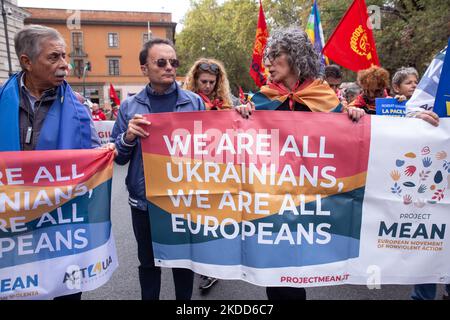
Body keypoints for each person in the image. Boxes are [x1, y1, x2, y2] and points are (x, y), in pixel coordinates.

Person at [235, 27, 365, 300]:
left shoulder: (324, 97)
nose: (267, 63)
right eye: (267, 57)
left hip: (311, 200)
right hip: (272, 200)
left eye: (275, 55)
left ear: (295, 57)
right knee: (277, 274)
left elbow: (346, 141)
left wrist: (353, 115)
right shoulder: (262, 98)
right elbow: (238, 141)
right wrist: (241, 115)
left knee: (297, 272)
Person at [0, 24, 113, 299]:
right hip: (13, 228)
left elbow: (91, 161)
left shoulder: (78, 107)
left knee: (66, 292)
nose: (65, 65)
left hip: (61, 227)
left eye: (64, 57)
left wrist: (105, 154)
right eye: (54, 57)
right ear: (27, 62)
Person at [110, 38, 205, 300]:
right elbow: (117, 157)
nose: (169, 67)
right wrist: (128, 137)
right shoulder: (130, 107)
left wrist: (242, 117)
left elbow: (212, 149)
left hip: (184, 200)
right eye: (161, 62)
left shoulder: (194, 102)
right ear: (144, 68)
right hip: (144, 202)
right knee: (148, 264)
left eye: (173, 62)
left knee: (183, 263)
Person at [183, 57, 237, 292]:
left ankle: (211, 268)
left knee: (215, 219)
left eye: (212, 82)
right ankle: (198, 263)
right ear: (194, 80)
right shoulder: (185, 103)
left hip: (220, 169)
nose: (207, 86)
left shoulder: (226, 103)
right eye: (203, 81)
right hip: (194, 169)